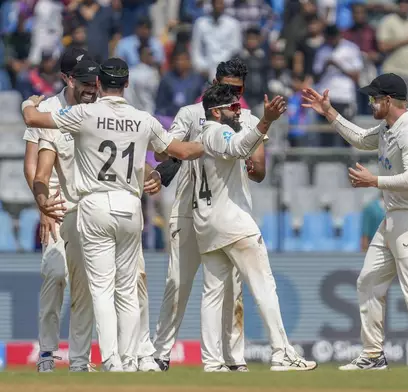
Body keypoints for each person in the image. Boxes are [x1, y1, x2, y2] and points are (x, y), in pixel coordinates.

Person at [20, 58, 205, 372]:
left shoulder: (84, 113)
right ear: (128, 84)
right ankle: (130, 357)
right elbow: (177, 152)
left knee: (101, 288)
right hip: (130, 206)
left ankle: (110, 360)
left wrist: (28, 102)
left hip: (93, 206)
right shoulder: (141, 117)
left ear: (100, 85)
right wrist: (211, 141)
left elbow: (32, 118)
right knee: (128, 287)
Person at [301, 73, 408, 370]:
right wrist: (329, 112)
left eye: (374, 98)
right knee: (367, 282)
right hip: (393, 217)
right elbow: (359, 138)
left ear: (388, 100)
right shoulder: (386, 128)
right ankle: (373, 354)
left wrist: (374, 181)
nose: (370, 103)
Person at [152, 58, 268, 372]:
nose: (233, 96)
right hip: (189, 209)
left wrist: (253, 166)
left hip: (226, 211)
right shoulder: (191, 113)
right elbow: (170, 149)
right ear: (214, 82)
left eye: (238, 90)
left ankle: (233, 358)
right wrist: (163, 173)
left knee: (232, 287)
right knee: (178, 282)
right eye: (227, 88)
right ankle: (161, 354)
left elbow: (259, 173)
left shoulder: (249, 118)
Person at [192, 83, 317, 371]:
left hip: (208, 222)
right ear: (215, 111)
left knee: (212, 293)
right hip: (233, 221)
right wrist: (266, 121)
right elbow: (237, 147)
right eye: (232, 107)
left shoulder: (202, 135)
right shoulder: (218, 130)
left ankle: (212, 362)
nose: (238, 111)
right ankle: (281, 353)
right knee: (264, 286)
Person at [21, 47, 91, 372]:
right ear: (66, 78)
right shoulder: (48, 109)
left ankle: (80, 359)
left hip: (90, 210)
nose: (91, 85)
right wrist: (43, 206)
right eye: (83, 78)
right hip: (56, 207)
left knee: (84, 284)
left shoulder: (99, 108)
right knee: (55, 274)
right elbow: (32, 166)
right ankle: (47, 354)